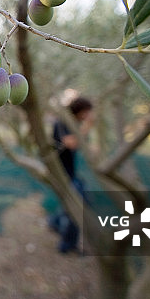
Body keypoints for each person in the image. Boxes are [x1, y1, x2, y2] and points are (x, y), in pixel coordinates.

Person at [49, 96, 94, 254]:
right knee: (77, 208)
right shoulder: (61, 124)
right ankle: (67, 245)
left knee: (83, 201)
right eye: (87, 112)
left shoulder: (73, 124)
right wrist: (88, 126)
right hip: (63, 174)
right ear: (80, 110)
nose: (88, 115)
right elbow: (71, 143)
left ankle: (54, 222)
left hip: (70, 173)